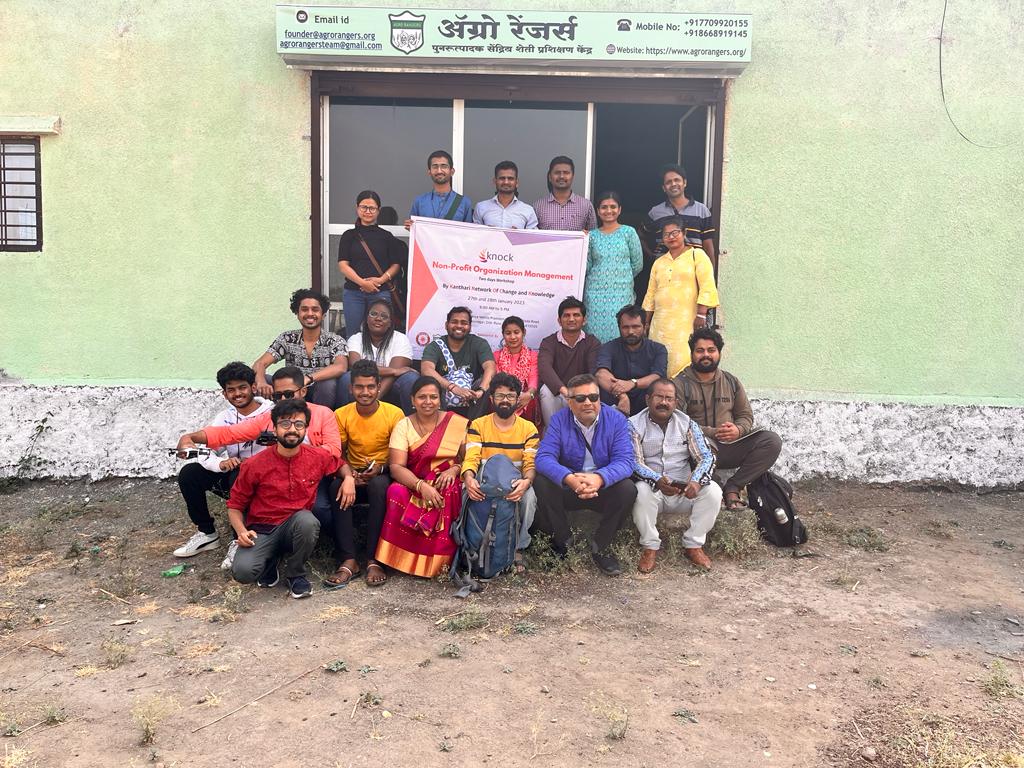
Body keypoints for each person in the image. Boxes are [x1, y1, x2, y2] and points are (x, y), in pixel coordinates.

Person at [176, 367, 343, 551]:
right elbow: (229, 433)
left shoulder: (323, 413)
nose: (283, 400)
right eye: (278, 395)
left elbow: (333, 451)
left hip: (313, 476)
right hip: (279, 478)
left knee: (321, 510)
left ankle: (333, 547)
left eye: (288, 394)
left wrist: (292, 445)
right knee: (203, 472)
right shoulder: (270, 418)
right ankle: (236, 539)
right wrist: (190, 437)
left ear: (303, 391)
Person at [227, 398, 349, 599]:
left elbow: (340, 464)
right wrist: (241, 532)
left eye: (298, 424)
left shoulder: (317, 456)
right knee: (243, 572)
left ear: (306, 429)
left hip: (296, 527)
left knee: (308, 521)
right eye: (285, 424)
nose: (292, 429)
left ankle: (296, 574)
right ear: (274, 429)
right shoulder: (255, 464)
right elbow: (235, 506)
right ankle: (271, 558)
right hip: (262, 529)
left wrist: (349, 479)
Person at [534, 374, 637, 576]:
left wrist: (599, 478)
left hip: (601, 488)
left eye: (593, 397)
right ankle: (562, 543)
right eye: (580, 399)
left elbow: (626, 461)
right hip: (571, 487)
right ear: (570, 403)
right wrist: (569, 478)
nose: (588, 402)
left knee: (627, 489)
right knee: (542, 483)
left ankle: (602, 546)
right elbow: (544, 458)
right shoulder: (559, 420)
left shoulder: (615, 419)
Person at [674, 328, 784, 513]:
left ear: (719, 353)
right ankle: (715, 490)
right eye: (700, 350)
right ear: (692, 353)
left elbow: (746, 415)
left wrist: (738, 430)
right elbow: (677, 421)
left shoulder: (731, 381)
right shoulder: (680, 383)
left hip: (732, 445)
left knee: (771, 441)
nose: (706, 355)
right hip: (700, 449)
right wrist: (712, 432)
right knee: (702, 447)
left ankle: (733, 487)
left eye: (711, 350)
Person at [173, 362, 273, 558]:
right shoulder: (224, 417)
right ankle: (207, 533)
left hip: (267, 483)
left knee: (240, 473)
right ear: (224, 394)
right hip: (236, 479)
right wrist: (220, 464)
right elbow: (205, 451)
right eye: (231, 390)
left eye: (242, 387)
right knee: (190, 473)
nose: (238, 394)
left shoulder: (271, 412)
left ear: (253, 387)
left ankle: (240, 540)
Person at [375, 377, 469, 578]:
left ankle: (439, 562)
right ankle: (398, 559)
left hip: (447, 479)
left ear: (440, 400)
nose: (428, 401)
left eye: (433, 397)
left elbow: (468, 460)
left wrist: (454, 470)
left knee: (451, 490)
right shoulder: (404, 426)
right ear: (412, 400)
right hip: (414, 481)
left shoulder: (456, 423)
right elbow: (396, 467)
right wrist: (420, 486)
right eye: (422, 397)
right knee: (395, 490)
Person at [326, 360, 406, 588]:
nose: (365, 392)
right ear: (350, 388)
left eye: (371, 387)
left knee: (379, 486)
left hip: (383, 472)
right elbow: (337, 454)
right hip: (352, 473)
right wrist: (349, 475)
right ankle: (349, 560)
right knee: (335, 487)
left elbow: (399, 455)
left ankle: (374, 559)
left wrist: (380, 469)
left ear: (379, 388)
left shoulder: (394, 413)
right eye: (359, 387)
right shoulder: (341, 414)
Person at [629, 378, 721, 573]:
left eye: (669, 398)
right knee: (639, 491)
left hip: (684, 491)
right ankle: (650, 547)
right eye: (659, 397)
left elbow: (706, 456)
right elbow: (633, 461)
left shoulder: (687, 423)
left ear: (676, 402)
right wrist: (656, 480)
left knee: (713, 491)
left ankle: (693, 544)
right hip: (655, 491)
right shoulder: (634, 424)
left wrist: (696, 482)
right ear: (648, 399)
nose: (664, 402)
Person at [462, 373, 540, 574]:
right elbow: (471, 458)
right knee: (463, 493)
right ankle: (467, 543)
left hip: (514, 482)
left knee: (529, 499)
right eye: (500, 395)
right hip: (483, 479)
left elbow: (530, 465)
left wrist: (526, 483)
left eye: (510, 396)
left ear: (517, 399)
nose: (505, 400)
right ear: (491, 399)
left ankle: (518, 548)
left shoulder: (528, 428)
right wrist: (469, 479)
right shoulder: (479, 424)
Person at [642, 217, 719, 378]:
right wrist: (645, 322)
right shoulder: (659, 262)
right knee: (659, 361)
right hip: (660, 325)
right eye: (666, 234)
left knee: (683, 360)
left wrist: (701, 314)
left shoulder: (697, 255)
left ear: (684, 233)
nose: (670, 237)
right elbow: (650, 294)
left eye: (675, 232)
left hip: (686, 322)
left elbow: (707, 285)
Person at [252, 289, 349, 409]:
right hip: (289, 391)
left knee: (327, 384)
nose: (309, 313)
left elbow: (341, 366)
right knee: (258, 378)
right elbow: (260, 363)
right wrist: (261, 381)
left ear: (323, 315)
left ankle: (319, 421)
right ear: (297, 314)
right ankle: (272, 419)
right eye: (304, 309)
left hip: (320, 393)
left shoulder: (335, 340)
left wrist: (308, 378)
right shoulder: (287, 338)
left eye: (315, 309)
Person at [337, 190, 408, 335]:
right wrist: (363, 283)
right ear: (357, 208)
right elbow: (343, 265)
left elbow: (395, 265)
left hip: (380, 292)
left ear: (378, 211)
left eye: (372, 208)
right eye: (364, 207)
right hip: (353, 292)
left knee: (381, 334)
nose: (367, 211)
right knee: (353, 334)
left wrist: (380, 280)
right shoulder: (349, 235)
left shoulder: (386, 237)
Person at [584, 191, 643, 342]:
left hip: (621, 295)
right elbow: (587, 266)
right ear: (597, 211)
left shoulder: (628, 232)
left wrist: (620, 279)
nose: (608, 211)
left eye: (613, 207)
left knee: (621, 334)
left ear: (620, 209)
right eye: (604, 207)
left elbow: (637, 265)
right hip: (595, 297)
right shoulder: (591, 236)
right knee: (595, 339)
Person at [420, 306, 496, 420]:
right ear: (446, 325)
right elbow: (426, 369)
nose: (459, 326)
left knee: (487, 382)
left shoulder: (479, 343)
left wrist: (481, 390)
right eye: (454, 322)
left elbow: (490, 367)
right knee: (432, 382)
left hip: (472, 394)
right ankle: (440, 426)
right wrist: (453, 388)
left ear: (469, 327)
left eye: (464, 323)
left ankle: (473, 426)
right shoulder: (436, 345)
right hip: (444, 393)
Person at [344, 298, 418, 414]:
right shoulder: (356, 339)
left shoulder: (400, 339)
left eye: (384, 316)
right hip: (363, 386)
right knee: (347, 378)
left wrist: (374, 399)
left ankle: (411, 424)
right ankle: (347, 419)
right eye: (373, 314)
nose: (378, 318)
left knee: (410, 379)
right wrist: (393, 370)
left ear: (390, 323)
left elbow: (393, 376)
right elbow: (356, 367)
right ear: (366, 319)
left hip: (392, 387)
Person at [595, 305, 668, 417]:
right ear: (619, 327)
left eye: (636, 327)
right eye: (625, 327)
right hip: (615, 402)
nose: (630, 331)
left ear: (645, 327)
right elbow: (601, 374)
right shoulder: (608, 347)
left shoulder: (658, 349)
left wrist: (632, 383)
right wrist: (622, 395)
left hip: (646, 406)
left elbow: (657, 376)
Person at [537, 297, 601, 426]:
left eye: (576, 315)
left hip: (582, 393)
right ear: (559, 321)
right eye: (566, 315)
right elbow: (544, 368)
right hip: (559, 392)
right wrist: (565, 391)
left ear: (584, 320)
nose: (571, 319)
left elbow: (593, 371)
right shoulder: (549, 342)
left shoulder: (592, 342)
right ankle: (553, 433)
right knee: (545, 390)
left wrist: (577, 393)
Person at [644, 163, 716, 267]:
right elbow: (640, 237)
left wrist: (710, 273)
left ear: (684, 183)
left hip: (693, 271)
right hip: (664, 271)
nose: (673, 184)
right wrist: (652, 256)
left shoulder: (702, 211)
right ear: (664, 188)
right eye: (668, 182)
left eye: (677, 180)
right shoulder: (655, 212)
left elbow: (708, 245)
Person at [405, 150, 473, 227]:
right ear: (429, 172)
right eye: (435, 167)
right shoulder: (419, 202)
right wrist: (412, 228)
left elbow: (468, 234)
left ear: (452, 171)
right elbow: (416, 234)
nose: (439, 171)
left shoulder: (464, 203)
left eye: (444, 166)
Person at [493, 315, 539, 424]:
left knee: (531, 402)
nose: (513, 337)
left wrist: (529, 394)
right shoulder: (496, 356)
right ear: (503, 335)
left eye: (516, 332)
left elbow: (533, 380)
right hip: (502, 394)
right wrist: (509, 396)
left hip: (525, 395)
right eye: (508, 333)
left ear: (524, 332)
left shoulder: (533, 355)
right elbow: (497, 381)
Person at [533, 156, 597, 232]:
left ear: (572, 176)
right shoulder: (538, 207)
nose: (562, 176)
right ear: (550, 177)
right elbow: (532, 238)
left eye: (566, 173)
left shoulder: (586, 206)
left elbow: (593, 236)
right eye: (557, 173)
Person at [473, 161, 538, 229]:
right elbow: (474, 236)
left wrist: (519, 236)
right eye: (502, 178)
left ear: (517, 182)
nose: (506, 182)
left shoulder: (528, 210)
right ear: (495, 181)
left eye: (510, 178)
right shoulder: (481, 207)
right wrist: (487, 233)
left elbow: (534, 237)